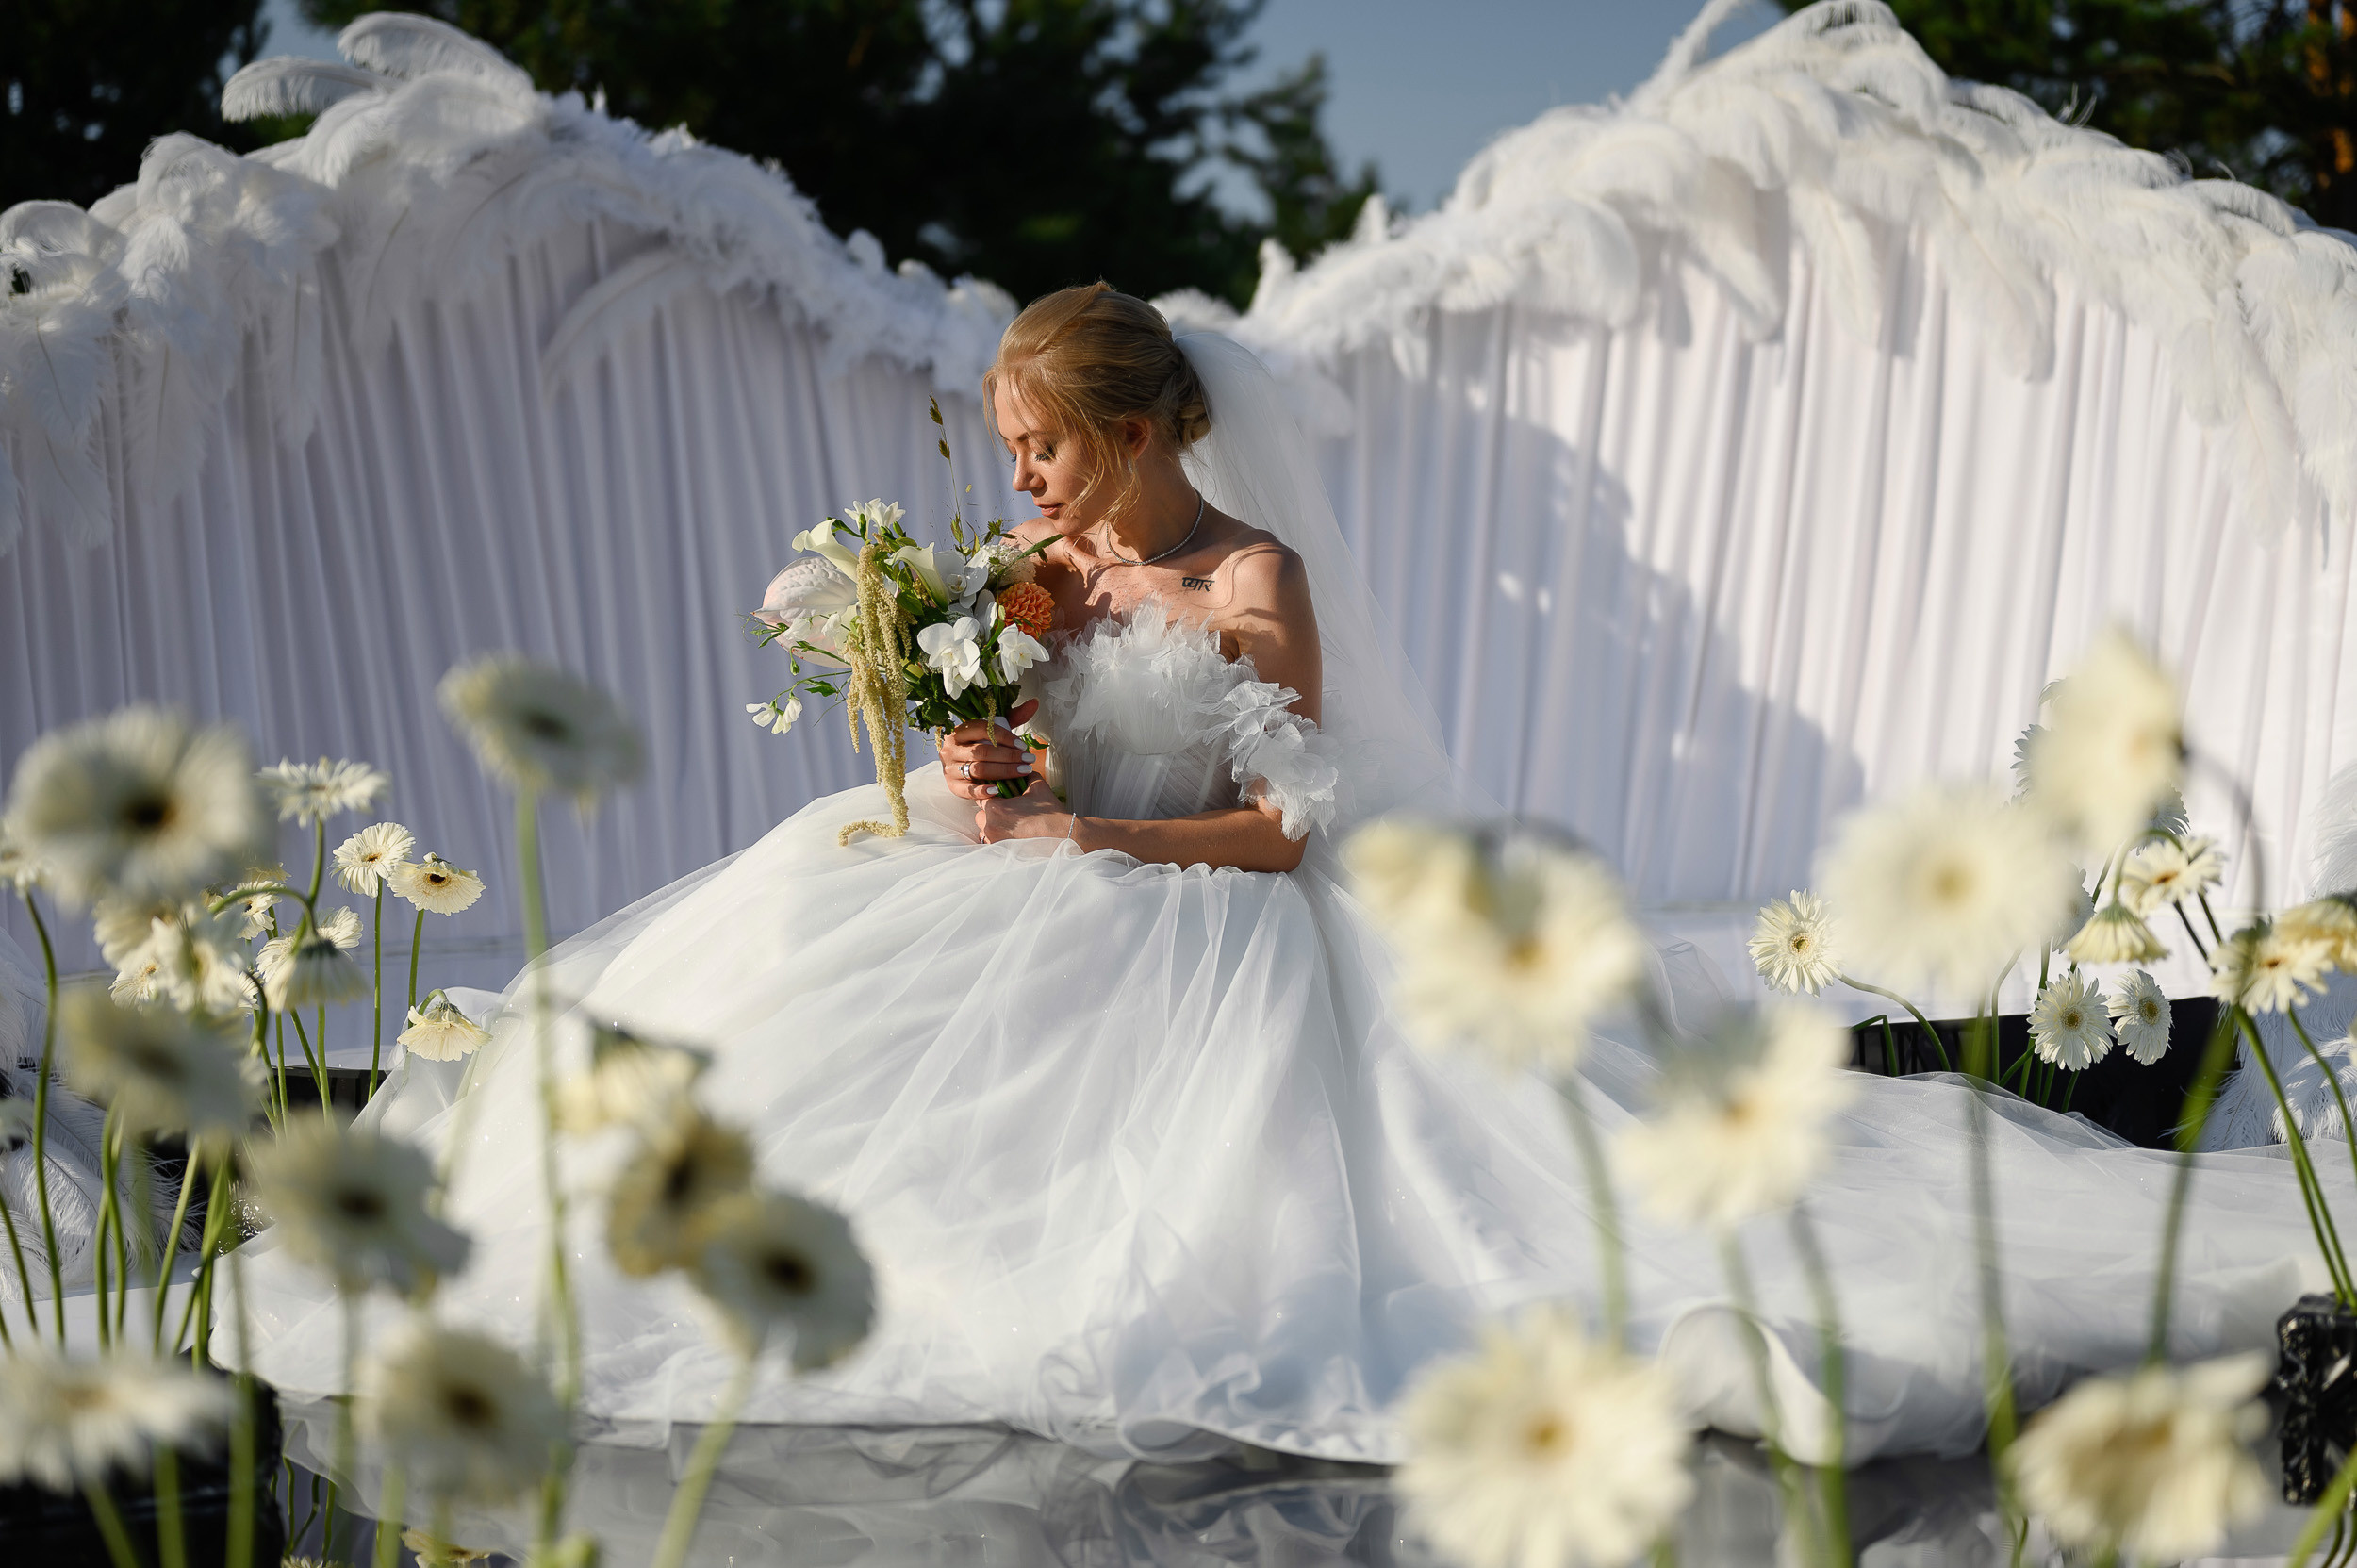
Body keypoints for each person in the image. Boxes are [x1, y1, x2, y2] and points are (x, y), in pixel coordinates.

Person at [238, 285, 2336, 1472]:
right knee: (801, 936)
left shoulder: (1252, 580)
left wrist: (1091, 831)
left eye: (1042, 443)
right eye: (1004, 447)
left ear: (1143, 427)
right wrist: (975, 734)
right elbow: (1015, 742)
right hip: (1041, 880)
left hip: (1210, 910)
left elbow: (1282, 830)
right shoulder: (1031, 574)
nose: (1020, 480)